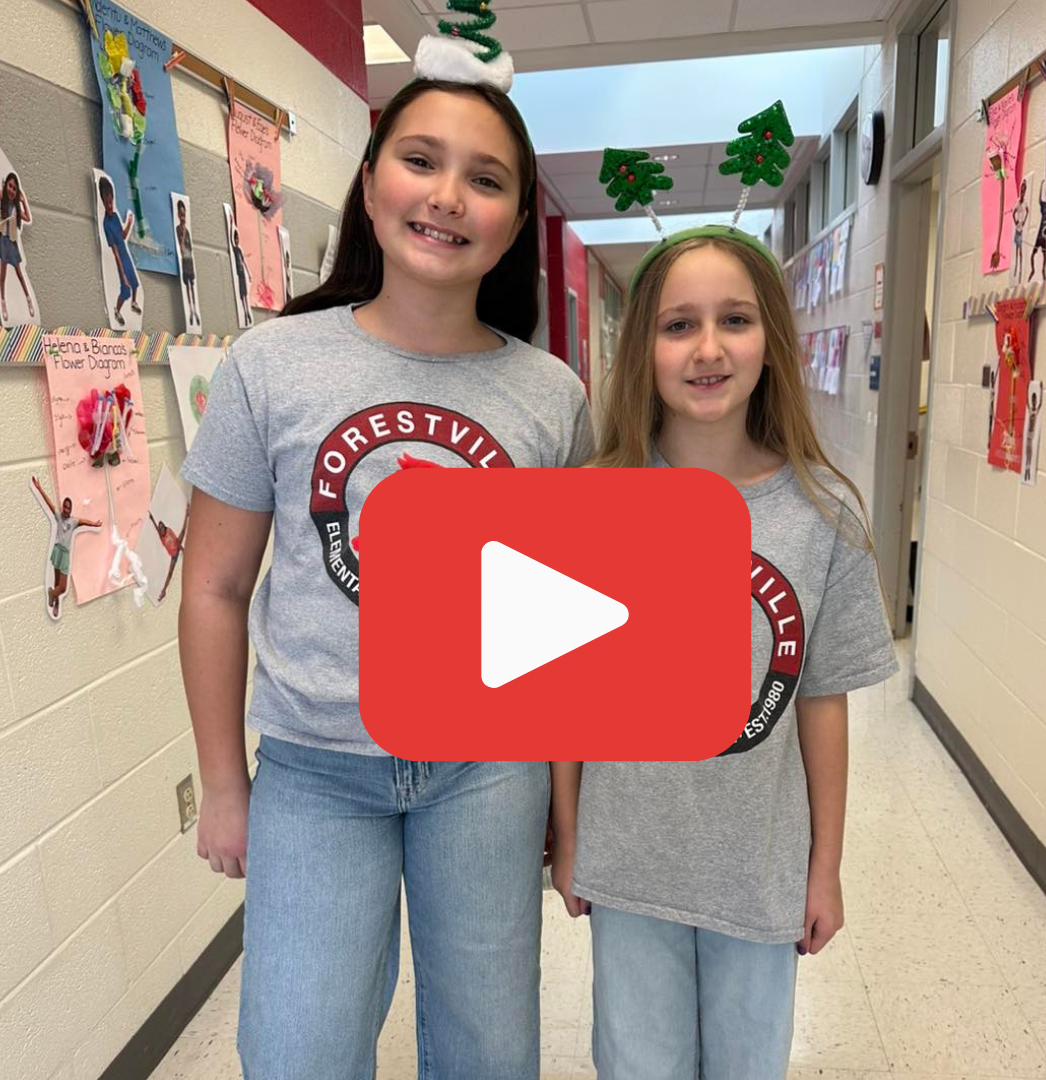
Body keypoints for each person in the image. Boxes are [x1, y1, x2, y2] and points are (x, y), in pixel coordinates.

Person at [177, 23, 594, 1080]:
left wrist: (569, 806)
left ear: (512, 224)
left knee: (489, 1054)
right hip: (315, 773)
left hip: (486, 772)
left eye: (486, 179)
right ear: (371, 185)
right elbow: (216, 589)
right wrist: (226, 785)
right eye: (421, 161)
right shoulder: (271, 368)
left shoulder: (552, 399)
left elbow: (562, 632)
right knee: (298, 1052)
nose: (448, 195)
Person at [550, 224, 898, 1080]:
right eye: (678, 326)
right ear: (645, 350)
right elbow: (561, 695)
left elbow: (821, 702)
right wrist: (568, 835)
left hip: (757, 869)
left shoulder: (824, 517)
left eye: (735, 320)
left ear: (772, 342)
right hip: (630, 861)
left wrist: (826, 870)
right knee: (638, 1065)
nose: (708, 349)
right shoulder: (593, 503)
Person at [31, 475, 101, 619]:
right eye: (65, 506)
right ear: (63, 506)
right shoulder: (58, 515)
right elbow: (49, 503)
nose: (66, 509)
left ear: (71, 509)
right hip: (57, 550)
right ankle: (56, 603)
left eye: (69, 508)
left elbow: (84, 521)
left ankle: (52, 594)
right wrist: (39, 488)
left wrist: (94, 524)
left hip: (65, 554)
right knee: (57, 582)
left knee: (62, 587)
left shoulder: (73, 521)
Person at [98, 175, 141, 326]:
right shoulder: (106, 224)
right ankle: (117, 309)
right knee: (125, 289)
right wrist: (122, 275)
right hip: (120, 260)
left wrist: (129, 223)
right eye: (107, 202)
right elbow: (115, 253)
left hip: (126, 256)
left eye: (111, 202)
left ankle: (134, 303)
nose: (110, 206)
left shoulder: (115, 216)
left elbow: (122, 236)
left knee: (135, 283)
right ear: (102, 202)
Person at [0, 171, 35, 323]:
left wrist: (22, 200)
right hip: (2, 239)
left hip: (12, 241)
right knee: (2, 275)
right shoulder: (2, 201)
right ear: (6, 184)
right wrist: (4, 191)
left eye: (14, 188)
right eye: (10, 186)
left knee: (20, 274)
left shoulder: (15, 207)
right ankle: (3, 302)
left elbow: (27, 217)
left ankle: (28, 298)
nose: (12, 190)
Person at [150, 504, 189, 602]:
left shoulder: (169, 531)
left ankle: (187, 514)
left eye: (162, 526)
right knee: (169, 574)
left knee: (183, 531)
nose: (162, 528)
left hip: (177, 545)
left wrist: (182, 549)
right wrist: (152, 519)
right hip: (173, 555)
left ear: (164, 527)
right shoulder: (161, 536)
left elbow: (176, 541)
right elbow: (156, 528)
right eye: (160, 528)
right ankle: (163, 591)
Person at [176, 199, 199, 326]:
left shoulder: (188, 232)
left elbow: (190, 248)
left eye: (184, 214)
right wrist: (183, 233)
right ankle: (190, 310)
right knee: (188, 287)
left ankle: (195, 310)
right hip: (183, 262)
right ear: (178, 215)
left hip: (190, 261)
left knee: (193, 286)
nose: (183, 217)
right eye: (181, 214)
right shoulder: (178, 230)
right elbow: (180, 247)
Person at [230, 226, 253, 327]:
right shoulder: (234, 250)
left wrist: (248, 273)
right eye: (235, 238)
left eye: (237, 238)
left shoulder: (239, 250)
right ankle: (245, 312)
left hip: (242, 273)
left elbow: (244, 262)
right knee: (241, 295)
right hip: (238, 275)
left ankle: (247, 311)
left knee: (245, 294)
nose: (236, 240)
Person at [1011, 177, 1029, 282]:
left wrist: (1024, 221)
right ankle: (1016, 269)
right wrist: (1016, 222)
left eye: (1024, 191)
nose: (1022, 192)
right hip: (1017, 228)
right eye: (1021, 190)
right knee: (1017, 250)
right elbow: (1013, 214)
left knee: (1021, 250)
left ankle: (1021, 270)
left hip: (1021, 229)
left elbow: (1028, 211)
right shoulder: (1018, 202)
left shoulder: (1025, 203)